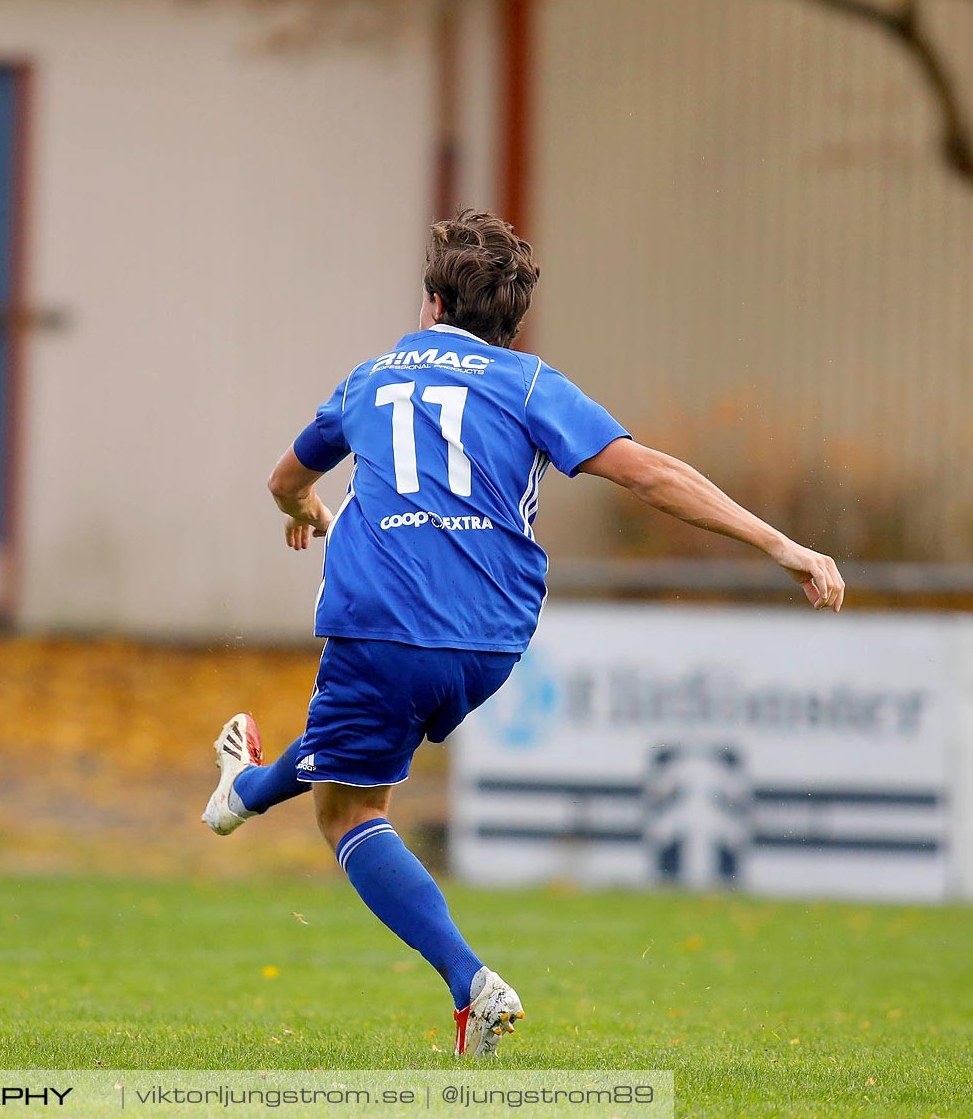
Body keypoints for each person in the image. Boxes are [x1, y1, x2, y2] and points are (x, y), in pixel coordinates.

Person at [201, 209, 844, 1057]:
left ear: (432, 301)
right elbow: (649, 473)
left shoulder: (369, 379)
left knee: (348, 813)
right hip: (492, 642)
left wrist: (305, 511)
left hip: (385, 624)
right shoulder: (530, 382)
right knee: (351, 765)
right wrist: (780, 543)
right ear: (511, 321)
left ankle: (470, 985)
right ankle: (241, 791)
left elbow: (285, 477)